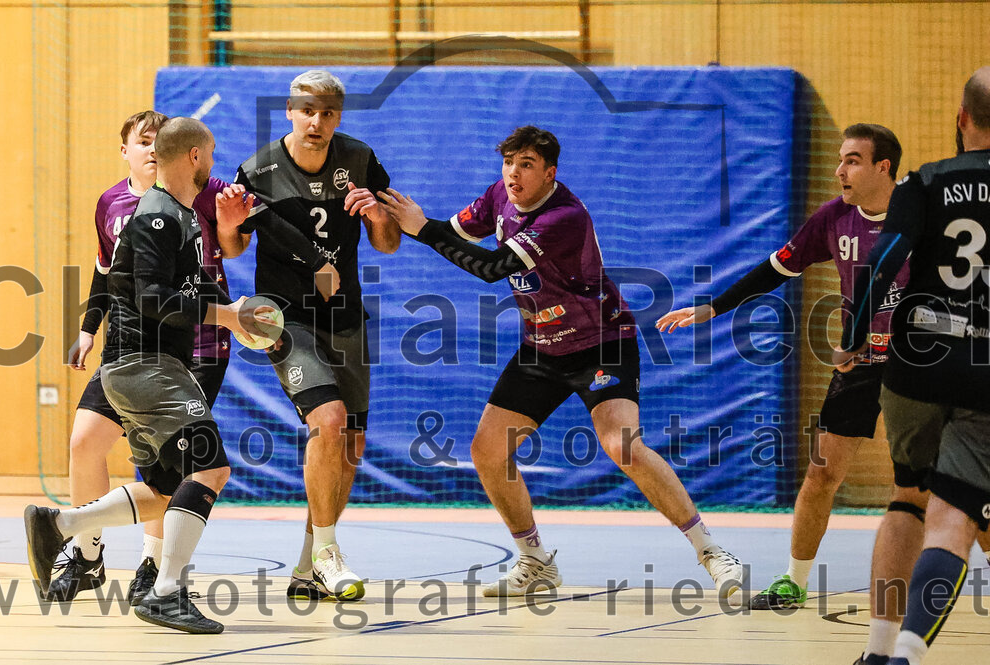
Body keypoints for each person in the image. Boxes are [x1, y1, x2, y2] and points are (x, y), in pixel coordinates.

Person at [378, 125, 744, 598]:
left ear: (550, 172)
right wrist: (389, 215)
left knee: (622, 446)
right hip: (542, 346)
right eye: (509, 162)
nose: (513, 173)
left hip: (601, 341)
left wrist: (423, 229)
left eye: (526, 165)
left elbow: (491, 269)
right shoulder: (499, 196)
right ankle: (535, 561)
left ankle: (711, 551)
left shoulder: (563, 217)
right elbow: (450, 233)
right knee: (487, 451)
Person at [657, 124, 919, 611]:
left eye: (853, 160)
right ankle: (794, 583)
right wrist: (712, 309)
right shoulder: (833, 219)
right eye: (841, 159)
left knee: (933, 487)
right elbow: (775, 269)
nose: (840, 170)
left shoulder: (922, 214)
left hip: (920, 364)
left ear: (884, 167)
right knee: (821, 474)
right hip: (858, 362)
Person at [24, 117, 265, 634]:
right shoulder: (158, 216)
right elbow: (152, 299)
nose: (215, 163)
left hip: (151, 368)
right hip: (145, 367)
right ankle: (166, 592)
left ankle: (60, 524)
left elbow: (190, 287)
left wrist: (238, 313)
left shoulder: (178, 214)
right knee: (211, 470)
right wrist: (224, 316)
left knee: (164, 488)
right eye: (212, 152)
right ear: (196, 156)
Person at [218, 70, 400, 601]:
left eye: (327, 113)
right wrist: (229, 224)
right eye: (307, 111)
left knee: (351, 443)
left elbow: (386, 244)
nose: (316, 122)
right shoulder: (258, 170)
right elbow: (232, 250)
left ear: (338, 117)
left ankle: (308, 565)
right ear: (290, 111)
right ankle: (328, 553)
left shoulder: (361, 159)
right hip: (284, 317)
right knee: (329, 419)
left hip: (344, 315)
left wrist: (377, 215)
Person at [837, 67, 990, 665]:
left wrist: (852, 340)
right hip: (984, 367)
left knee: (908, 497)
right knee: (958, 514)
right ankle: (906, 650)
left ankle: (878, 652)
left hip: (916, 362)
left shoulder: (925, 180)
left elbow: (884, 262)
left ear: (961, 120)